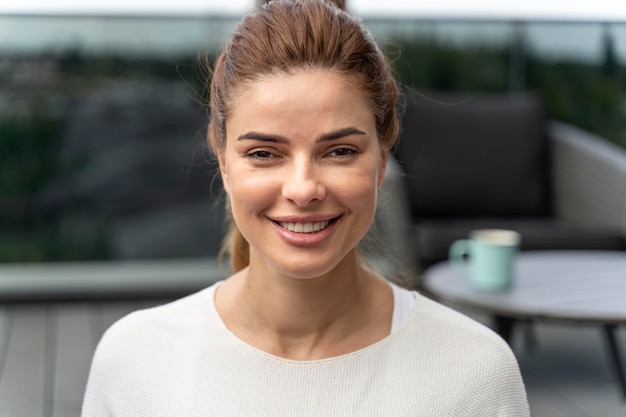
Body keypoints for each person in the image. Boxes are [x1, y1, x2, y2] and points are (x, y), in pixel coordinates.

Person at [81, 1, 530, 415]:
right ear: (223, 163)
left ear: (381, 160)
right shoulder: (134, 361)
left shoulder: (475, 374)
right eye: (263, 153)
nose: (303, 189)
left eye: (339, 152)